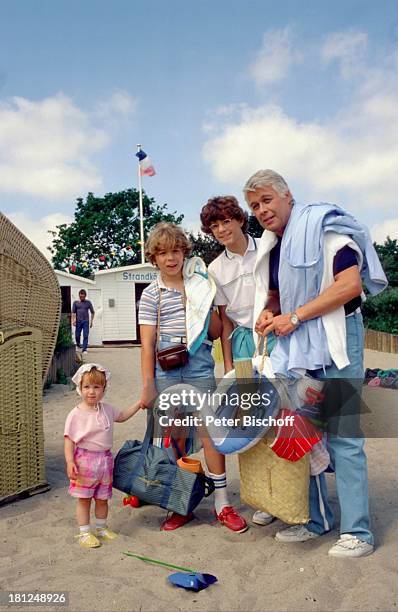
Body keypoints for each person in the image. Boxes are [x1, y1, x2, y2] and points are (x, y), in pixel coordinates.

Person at [244, 169, 387, 557]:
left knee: (343, 433)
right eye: (255, 206)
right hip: (300, 343)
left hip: (338, 337)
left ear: (287, 195)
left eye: (267, 200)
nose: (261, 210)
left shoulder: (325, 229)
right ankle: (316, 520)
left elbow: (349, 286)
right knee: (301, 431)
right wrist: (269, 312)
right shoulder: (274, 245)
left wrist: (294, 316)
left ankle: (358, 532)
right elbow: (277, 294)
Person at [138, 221, 248, 533]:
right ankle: (181, 503)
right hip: (166, 372)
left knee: (209, 433)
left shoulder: (201, 286)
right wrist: (148, 385)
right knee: (173, 437)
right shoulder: (150, 295)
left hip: (199, 369)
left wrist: (198, 308)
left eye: (176, 251)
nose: (170, 258)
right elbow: (147, 344)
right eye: (163, 253)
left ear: (185, 253)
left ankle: (222, 503)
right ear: (154, 258)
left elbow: (217, 331)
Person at [200, 195, 274, 527]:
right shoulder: (215, 269)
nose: (220, 229)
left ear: (240, 220)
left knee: (284, 413)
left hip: (277, 334)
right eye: (214, 226)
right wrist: (229, 364)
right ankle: (262, 498)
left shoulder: (270, 246)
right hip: (243, 342)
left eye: (225, 221)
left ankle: (291, 489)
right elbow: (225, 320)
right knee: (252, 419)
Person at [64, 363, 140, 549]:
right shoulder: (75, 414)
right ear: (79, 388)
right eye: (87, 387)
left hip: (105, 461)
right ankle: (83, 532)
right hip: (84, 461)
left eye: (97, 387)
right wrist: (70, 461)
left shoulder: (106, 409)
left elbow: (121, 416)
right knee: (84, 499)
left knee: (102, 498)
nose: (91, 392)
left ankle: (101, 528)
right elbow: (69, 440)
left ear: (103, 389)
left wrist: (139, 404)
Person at [72, 289, 95, 354]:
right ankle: (78, 345)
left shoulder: (88, 303)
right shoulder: (75, 303)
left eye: (83, 296)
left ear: (85, 296)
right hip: (78, 321)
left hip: (86, 321)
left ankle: (84, 349)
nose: (82, 297)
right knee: (77, 335)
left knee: (85, 335)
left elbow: (93, 312)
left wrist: (91, 321)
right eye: (81, 296)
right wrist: (73, 320)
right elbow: (73, 313)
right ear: (79, 295)